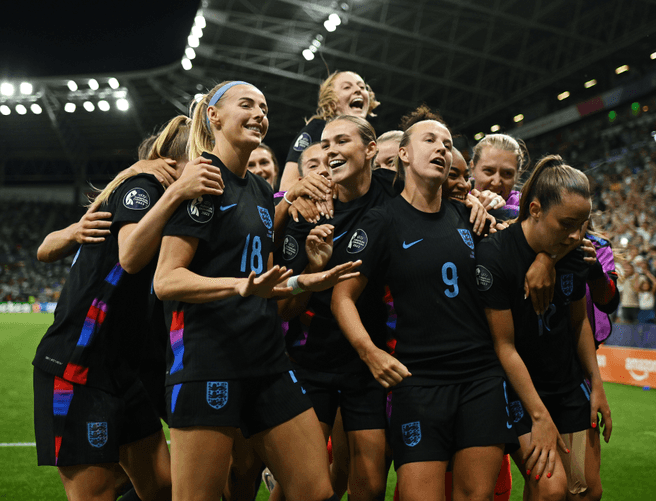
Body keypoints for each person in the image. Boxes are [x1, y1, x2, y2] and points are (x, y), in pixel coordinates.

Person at [152, 80, 360, 501]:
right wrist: (239, 286)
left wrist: (306, 278)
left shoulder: (263, 192)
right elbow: (166, 279)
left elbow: (263, 281)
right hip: (210, 360)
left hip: (267, 358)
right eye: (246, 105)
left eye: (264, 108)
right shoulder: (203, 180)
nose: (259, 114)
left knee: (317, 491)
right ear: (213, 116)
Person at [32, 115, 225, 501]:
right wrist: (171, 189)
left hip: (122, 370)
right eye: (204, 158)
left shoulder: (173, 204)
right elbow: (129, 256)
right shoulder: (144, 187)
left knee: (164, 485)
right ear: (175, 163)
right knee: (97, 493)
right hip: (79, 366)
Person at [331, 107, 517, 501]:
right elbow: (341, 297)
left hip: (480, 378)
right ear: (403, 153)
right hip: (418, 381)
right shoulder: (381, 221)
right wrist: (370, 353)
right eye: (430, 140)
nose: (442, 149)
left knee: (476, 496)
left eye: (447, 144)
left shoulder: (468, 217)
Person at [476, 155, 612, 501]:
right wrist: (539, 415)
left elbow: (579, 322)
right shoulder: (494, 256)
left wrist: (596, 384)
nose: (576, 234)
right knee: (551, 490)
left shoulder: (575, 251)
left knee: (585, 491)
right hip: (518, 392)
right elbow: (504, 345)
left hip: (567, 388)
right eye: (567, 223)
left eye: (582, 224)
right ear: (534, 210)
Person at [278, 70, 380, 191]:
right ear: (331, 101)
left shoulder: (371, 136)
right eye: (347, 87)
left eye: (362, 87)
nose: (358, 90)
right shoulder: (316, 129)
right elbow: (286, 185)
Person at [469, 133, 528, 211]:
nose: (496, 182)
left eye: (507, 173)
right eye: (488, 170)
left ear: (517, 176)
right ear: (472, 168)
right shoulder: (456, 200)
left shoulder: (528, 208)